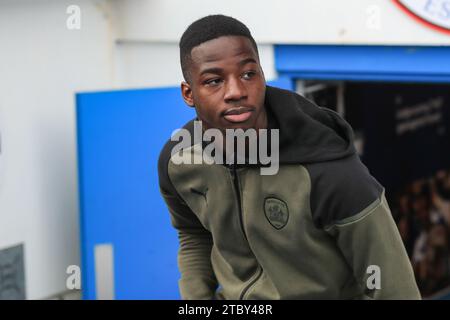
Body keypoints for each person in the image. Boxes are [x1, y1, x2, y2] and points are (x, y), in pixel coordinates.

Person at [158, 14, 421, 299]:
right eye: (214, 81)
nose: (236, 91)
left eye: (248, 74)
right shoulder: (179, 161)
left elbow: (392, 287)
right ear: (189, 93)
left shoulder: (331, 172)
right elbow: (194, 234)